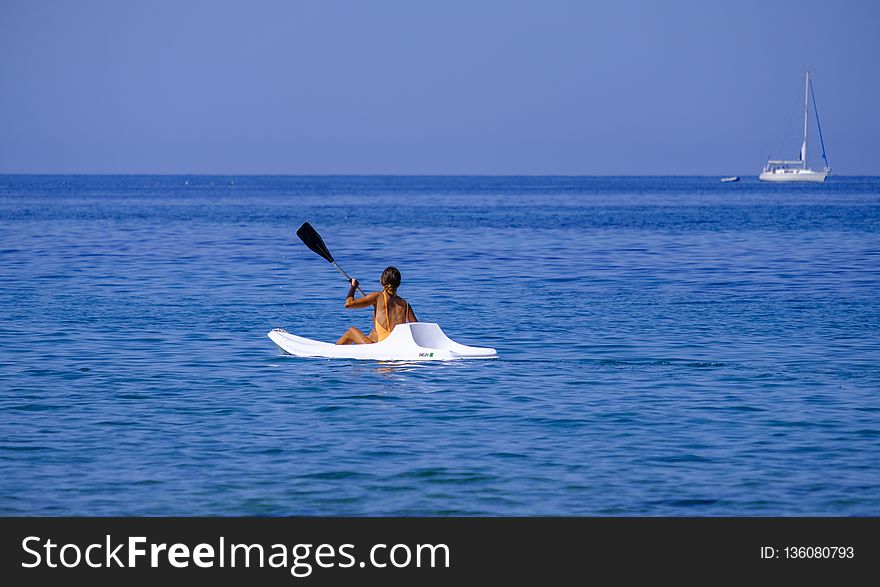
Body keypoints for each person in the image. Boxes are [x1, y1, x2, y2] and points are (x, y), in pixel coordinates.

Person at [336, 266, 418, 345]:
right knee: (374, 332)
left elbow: (348, 304)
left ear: (381, 281)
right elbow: (418, 328)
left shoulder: (377, 296)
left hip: (383, 347)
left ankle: (333, 352)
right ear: (399, 284)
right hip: (397, 345)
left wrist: (353, 287)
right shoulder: (405, 304)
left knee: (351, 332)